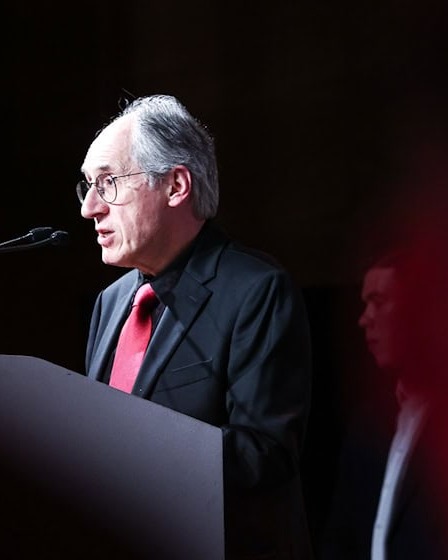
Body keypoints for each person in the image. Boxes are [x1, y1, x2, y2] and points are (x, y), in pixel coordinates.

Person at [77, 94, 313, 559]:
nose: (90, 207)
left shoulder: (256, 290)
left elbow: (264, 455)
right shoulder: (111, 303)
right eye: (86, 186)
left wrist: (126, 442)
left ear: (176, 185)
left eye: (107, 183)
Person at [318, 250, 448, 559]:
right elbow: (340, 538)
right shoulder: (368, 424)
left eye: (378, 302)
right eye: (365, 304)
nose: (364, 319)